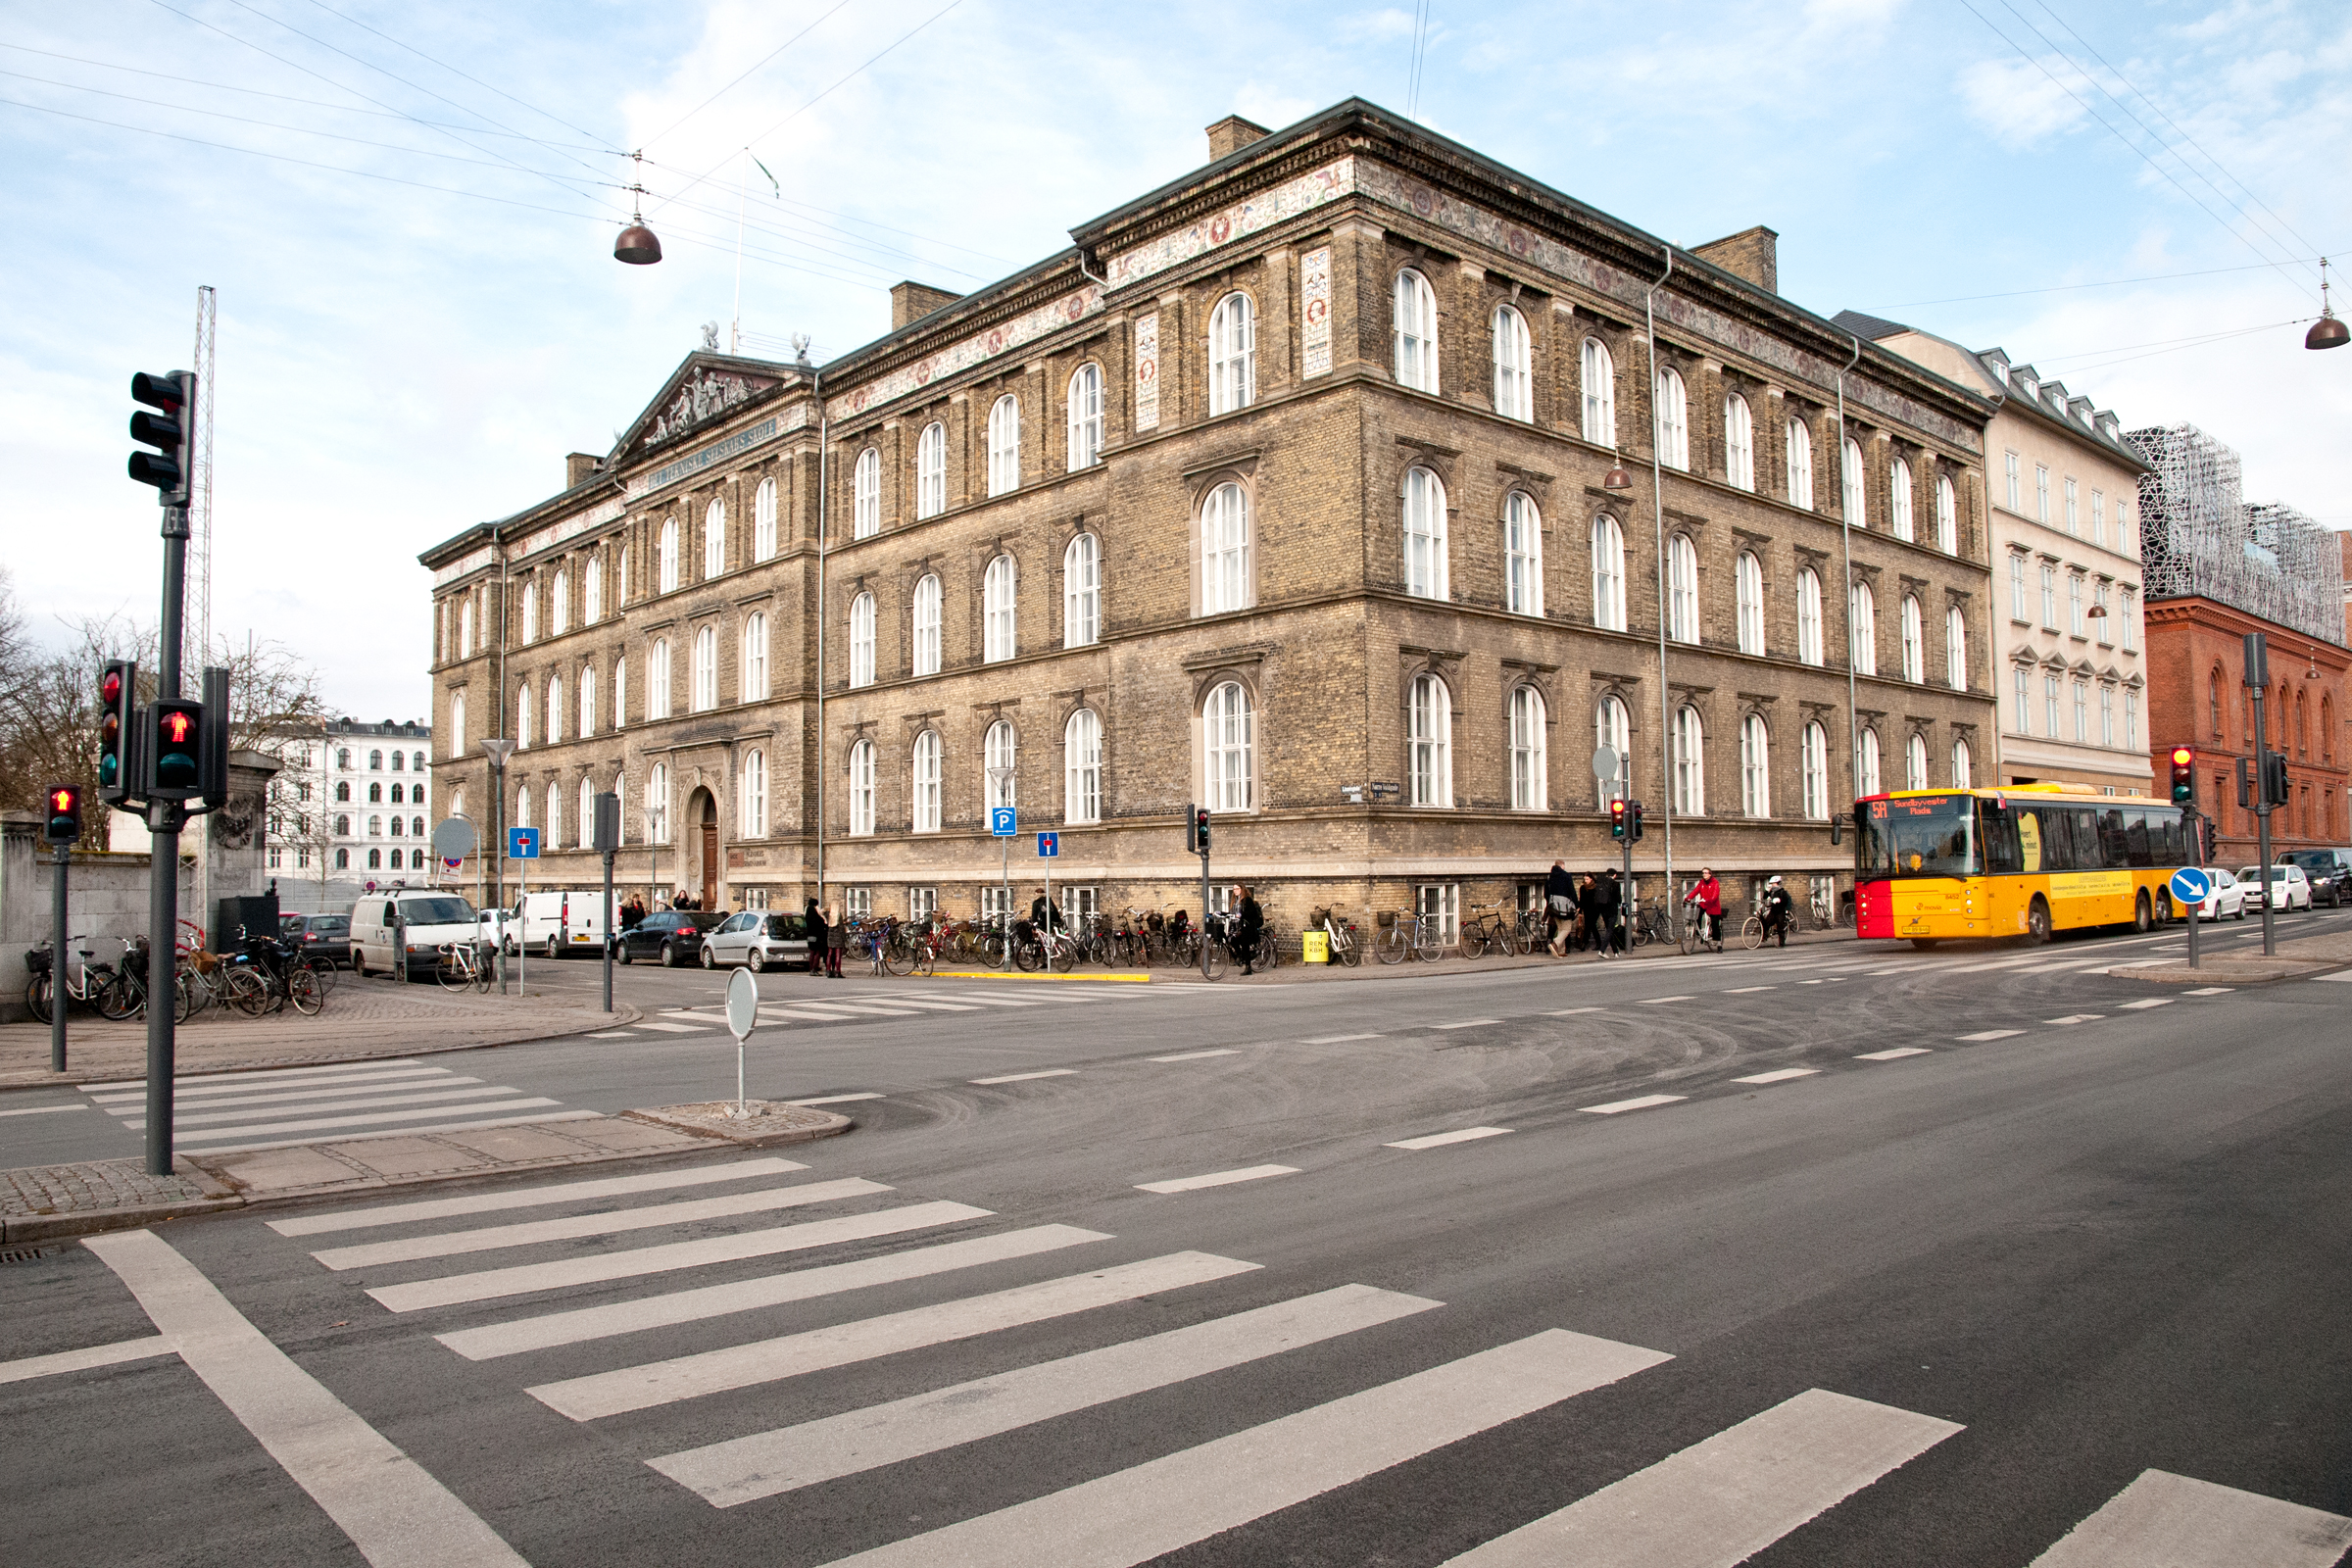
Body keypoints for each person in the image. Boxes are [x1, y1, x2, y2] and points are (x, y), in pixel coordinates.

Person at [1685, 867, 1724, 950]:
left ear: (1710, 874)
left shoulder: (1715, 883)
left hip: (1713, 905)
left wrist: (1710, 900)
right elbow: (1695, 891)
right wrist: (1688, 898)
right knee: (1697, 915)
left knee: (1715, 923)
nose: (1704, 875)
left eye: (1706, 873)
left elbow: (1715, 895)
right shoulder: (1701, 883)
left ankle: (1718, 943)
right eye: (1703, 873)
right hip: (1704, 904)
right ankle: (1701, 931)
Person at [1545, 860, 1576, 956]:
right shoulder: (1566, 876)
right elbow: (1572, 891)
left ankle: (1561, 951)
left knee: (1560, 928)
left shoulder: (1550, 877)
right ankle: (1555, 944)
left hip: (1554, 906)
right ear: (1562, 866)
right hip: (1565, 906)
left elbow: (1546, 892)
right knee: (1567, 928)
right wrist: (1576, 904)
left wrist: (1550, 903)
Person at [1235, 884, 1265, 975]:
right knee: (1234, 940)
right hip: (1241, 925)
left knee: (1245, 946)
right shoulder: (1237, 901)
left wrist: (1241, 915)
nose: (1235, 890)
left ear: (1242, 889)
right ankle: (1242, 957)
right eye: (1233, 889)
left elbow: (1252, 912)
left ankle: (1248, 968)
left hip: (1248, 926)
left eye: (1237, 888)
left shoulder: (1247, 899)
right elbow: (1234, 912)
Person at [1759, 875, 1796, 949]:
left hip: (1780, 911)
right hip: (1773, 911)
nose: (1772, 885)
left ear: (1777, 883)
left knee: (1780, 926)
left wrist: (1780, 901)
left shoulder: (1782, 892)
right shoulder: (1772, 891)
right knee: (1766, 923)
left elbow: (1786, 900)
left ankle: (1781, 943)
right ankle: (1765, 936)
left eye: (1773, 883)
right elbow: (1764, 897)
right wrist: (1767, 891)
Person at [1592, 870, 1622, 956]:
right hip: (1612, 911)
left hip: (1603, 910)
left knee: (1610, 931)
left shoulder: (1601, 883)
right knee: (1609, 931)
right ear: (1615, 875)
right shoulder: (1615, 884)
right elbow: (1619, 899)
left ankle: (1616, 952)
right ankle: (1602, 950)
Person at [803, 895, 830, 978]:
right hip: (817, 936)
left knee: (812, 952)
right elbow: (821, 922)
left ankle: (811, 968)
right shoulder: (815, 915)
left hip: (809, 935)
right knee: (817, 952)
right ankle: (814, 969)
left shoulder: (807, 913)